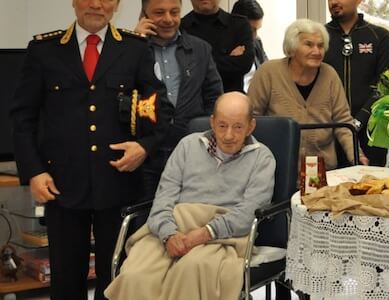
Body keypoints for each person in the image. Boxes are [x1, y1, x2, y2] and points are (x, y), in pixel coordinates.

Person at [11, 0, 171, 300]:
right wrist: (34, 172)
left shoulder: (134, 49)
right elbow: (23, 116)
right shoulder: (44, 50)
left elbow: (158, 109)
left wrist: (144, 146)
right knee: (66, 278)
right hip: (61, 185)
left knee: (117, 278)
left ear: (117, 4)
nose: (95, 4)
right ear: (73, 0)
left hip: (119, 183)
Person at [104, 92, 276, 300]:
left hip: (222, 237)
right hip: (173, 229)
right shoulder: (187, 145)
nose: (229, 135)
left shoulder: (262, 157)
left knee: (191, 270)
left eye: (238, 127)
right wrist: (169, 235)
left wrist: (204, 234)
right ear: (212, 122)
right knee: (135, 276)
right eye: (222, 125)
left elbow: (248, 213)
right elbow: (164, 198)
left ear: (251, 126)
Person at [136, 0, 223, 200]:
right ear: (144, 14)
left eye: (174, 12)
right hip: (145, 154)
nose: (168, 19)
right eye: (159, 12)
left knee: (186, 218)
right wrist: (135, 43)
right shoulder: (131, 49)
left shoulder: (200, 49)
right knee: (144, 221)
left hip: (191, 150)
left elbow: (214, 96)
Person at [248, 19, 358, 169]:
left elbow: (343, 121)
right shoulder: (268, 72)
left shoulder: (329, 75)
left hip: (322, 168)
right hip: (278, 166)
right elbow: (252, 119)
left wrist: (356, 157)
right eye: (308, 44)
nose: (316, 51)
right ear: (292, 48)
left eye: (320, 46)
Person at [323, 0, 389, 167]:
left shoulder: (380, 36)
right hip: (330, 130)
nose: (334, 1)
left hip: (372, 130)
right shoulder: (319, 37)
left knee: (371, 190)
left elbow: (385, 85)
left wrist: (359, 120)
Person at [180, 0, 253, 93]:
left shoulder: (239, 25)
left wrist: (197, 64)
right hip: (194, 106)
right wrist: (228, 60)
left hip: (231, 103)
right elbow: (180, 70)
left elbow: (244, 64)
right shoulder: (180, 28)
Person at [230, 0, 267, 90]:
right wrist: (230, 61)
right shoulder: (223, 44)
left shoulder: (257, 42)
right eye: (251, 30)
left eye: (257, 30)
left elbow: (267, 70)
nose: (254, 36)